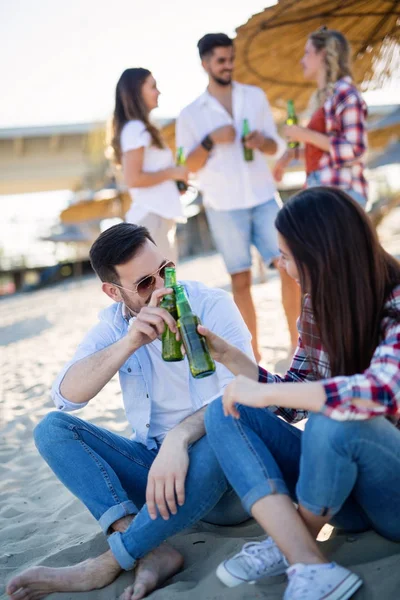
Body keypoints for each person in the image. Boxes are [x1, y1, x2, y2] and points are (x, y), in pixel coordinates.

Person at [6, 223, 254, 600]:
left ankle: (112, 560)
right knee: (51, 430)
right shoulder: (114, 326)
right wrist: (130, 342)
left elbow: (247, 391)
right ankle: (151, 547)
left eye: (166, 270)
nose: (162, 288)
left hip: (222, 473)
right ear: (113, 292)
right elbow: (66, 396)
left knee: (224, 427)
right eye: (144, 284)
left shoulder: (210, 304)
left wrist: (179, 439)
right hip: (158, 477)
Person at [201, 187, 400, 599]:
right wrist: (239, 364)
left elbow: (381, 391)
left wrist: (271, 395)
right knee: (225, 411)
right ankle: (308, 561)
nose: (280, 264)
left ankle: (289, 545)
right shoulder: (316, 307)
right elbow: (295, 397)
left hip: (392, 493)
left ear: (321, 254)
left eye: (286, 255)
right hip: (339, 495)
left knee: (335, 415)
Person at [176, 33, 300, 363]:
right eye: (220, 60)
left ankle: (297, 345)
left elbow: (277, 147)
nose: (228, 65)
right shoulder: (190, 115)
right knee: (240, 279)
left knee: (290, 268)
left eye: (231, 58)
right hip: (222, 205)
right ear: (205, 64)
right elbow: (186, 166)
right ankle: (253, 356)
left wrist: (263, 141)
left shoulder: (255, 97)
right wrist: (210, 140)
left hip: (262, 196)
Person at [274, 27, 368, 207]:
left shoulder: (345, 94)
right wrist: (291, 154)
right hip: (324, 189)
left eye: (307, 53)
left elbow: (355, 151)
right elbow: (325, 154)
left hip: (342, 194)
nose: (302, 61)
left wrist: (304, 134)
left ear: (323, 54)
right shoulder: (326, 98)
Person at [109, 68, 188, 264]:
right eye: (153, 87)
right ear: (137, 92)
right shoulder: (136, 129)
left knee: (165, 284)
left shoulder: (139, 128)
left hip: (157, 217)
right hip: (152, 218)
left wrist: (173, 183)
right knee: (164, 287)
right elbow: (134, 179)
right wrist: (172, 172)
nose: (158, 92)